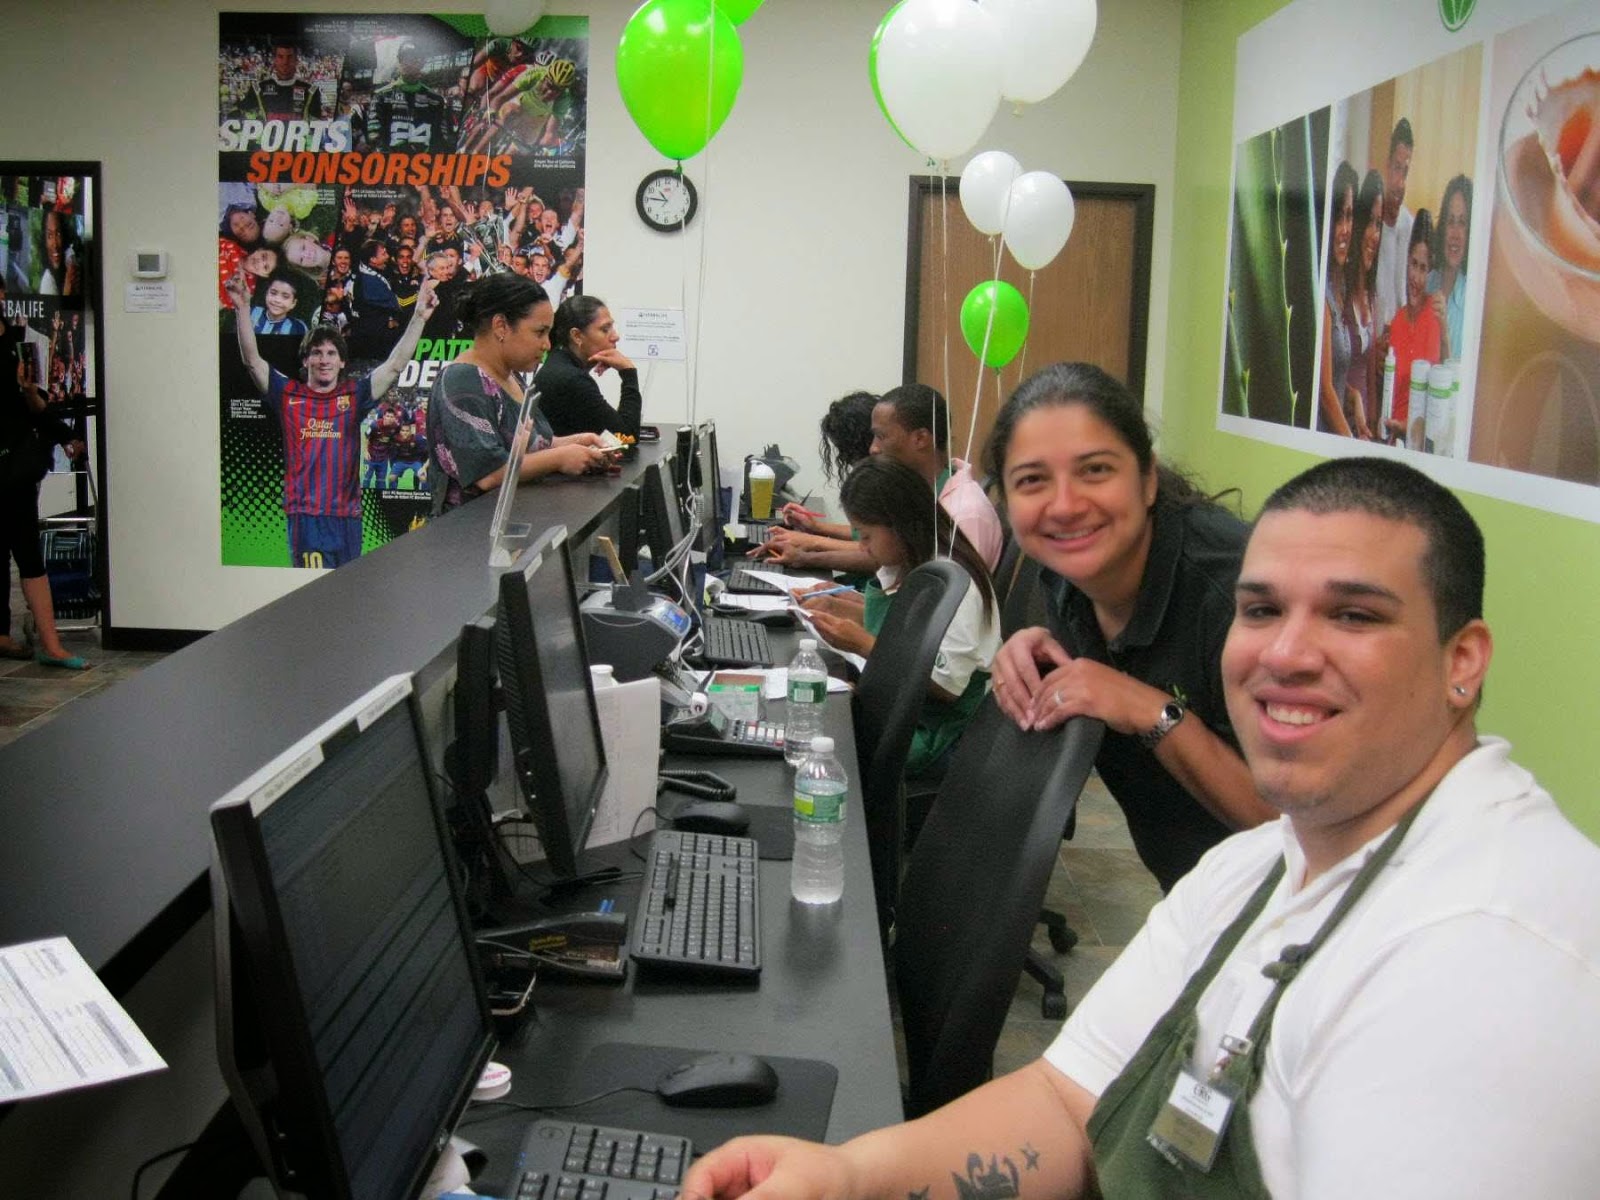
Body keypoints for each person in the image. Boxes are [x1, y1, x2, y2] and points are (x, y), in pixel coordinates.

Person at [684, 456, 1600, 1200]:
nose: (1285, 654)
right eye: (1260, 609)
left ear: (1463, 662)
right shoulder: (1257, 871)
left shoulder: (1491, 961)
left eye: (1354, 615)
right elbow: (1065, 1097)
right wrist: (850, 1177)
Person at [987, 363, 1270, 891]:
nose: (1065, 505)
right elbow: (1092, 681)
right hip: (1196, 892)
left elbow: (1288, 825)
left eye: (1095, 470)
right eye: (1032, 480)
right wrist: (1035, 646)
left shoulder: (1243, 599)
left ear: (1148, 481)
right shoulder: (1066, 575)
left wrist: (1147, 708)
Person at [800, 457, 999, 779]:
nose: (862, 548)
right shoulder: (910, 558)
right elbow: (908, 628)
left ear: (899, 525)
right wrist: (840, 607)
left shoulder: (954, 580)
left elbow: (947, 688)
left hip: (936, 733)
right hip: (901, 709)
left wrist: (865, 645)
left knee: (823, 747)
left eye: (866, 536)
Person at [225, 269, 439, 568]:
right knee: (314, 594)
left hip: (348, 518)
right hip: (307, 518)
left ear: (341, 362)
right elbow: (252, 361)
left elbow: (394, 365)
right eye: (316, 353)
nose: (323, 359)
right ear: (306, 360)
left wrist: (419, 317)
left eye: (330, 353)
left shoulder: (354, 396)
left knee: (348, 594)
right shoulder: (288, 395)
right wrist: (242, 308)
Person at [762, 384, 1004, 575]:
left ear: (920, 438)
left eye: (880, 437)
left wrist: (809, 549)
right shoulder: (925, 489)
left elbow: (945, 615)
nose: (873, 449)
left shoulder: (964, 513)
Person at [427, 273, 610, 513]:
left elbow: (528, 444)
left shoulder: (509, 376)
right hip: (470, 536)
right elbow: (488, 473)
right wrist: (560, 457)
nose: (546, 344)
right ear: (501, 326)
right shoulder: (462, 381)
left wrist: (572, 442)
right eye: (539, 332)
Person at [0, 291, 87, 668]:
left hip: (14, 464)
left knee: (27, 550)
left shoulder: (16, 341)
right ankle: (5, 636)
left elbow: (36, 404)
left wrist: (65, 434)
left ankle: (52, 645)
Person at [535, 295, 642, 438]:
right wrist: (628, 373)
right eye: (605, 329)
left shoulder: (560, 363)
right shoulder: (571, 379)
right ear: (577, 336)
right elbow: (627, 437)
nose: (615, 336)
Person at [1382, 209, 1442, 445]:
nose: (1415, 277)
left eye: (1423, 268)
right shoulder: (1396, 323)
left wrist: (1407, 428)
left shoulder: (1435, 318)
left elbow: (1435, 405)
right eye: (1413, 264)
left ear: (1432, 271)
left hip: (1422, 442)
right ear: (1406, 262)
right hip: (1392, 438)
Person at [1317, 162, 1359, 437]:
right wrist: (1354, 447)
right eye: (1338, 217)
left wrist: (1353, 396)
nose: (1345, 229)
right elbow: (1324, 393)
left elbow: (1337, 380)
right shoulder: (1323, 295)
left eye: (1350, 216)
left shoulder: (1340, 285)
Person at [1344, 168, 1384, 438]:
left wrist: (1373, 424)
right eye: (1370, 222)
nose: (1374, 234)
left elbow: (1370, 373)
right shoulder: (1341, 293)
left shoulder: (1372, 296)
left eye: (1379, 224)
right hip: (1343, 424)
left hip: (1363, 431)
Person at [366, 40, 451, 151]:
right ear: (398, 62)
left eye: (414, 58)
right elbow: (374, 135)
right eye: (404, 58)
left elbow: (441, 138)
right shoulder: (381, 96)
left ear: (422, 63)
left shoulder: (435, 100)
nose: (408, 63)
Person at [1373, 117, 1414, 335]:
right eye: (1397, 169)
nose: (1400, 183)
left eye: (1405, 172)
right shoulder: (1371, 225)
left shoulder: (1410, 225)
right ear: (1387, 167)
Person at [1428, 174, 1471, 364]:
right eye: (1450, 221)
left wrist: (1444, 334)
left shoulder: (1472, 300)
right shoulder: (1427, 282)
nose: (1455, 233)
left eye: (1462, 223)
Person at [238, 37, 325, 131]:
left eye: (289, 57)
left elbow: (316, 129)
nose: (285, 62)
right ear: (274, 60)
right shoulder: (258, 89)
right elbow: (240, 115)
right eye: (280, 57)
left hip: (298, 145)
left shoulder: (311, 90)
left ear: (296, 60)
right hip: (266, 145)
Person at [250, 271, 309, 337]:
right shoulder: (251, 313)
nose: (277, 300)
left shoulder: (299, 328)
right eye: (273, 293)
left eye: (285, 297)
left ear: (293, 303)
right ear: (266, 293)